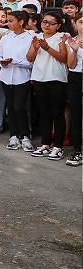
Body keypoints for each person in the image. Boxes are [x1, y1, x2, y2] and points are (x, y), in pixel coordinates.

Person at [27, 11, 72, 160]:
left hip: (57, 79)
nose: (46, 25)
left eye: (51, 23)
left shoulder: (62, 37)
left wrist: (47, 48)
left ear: (58, 25)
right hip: (40, 79)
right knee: (44, 113)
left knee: (57, 113)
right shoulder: (37, 37)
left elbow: (63, 58)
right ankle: (45, 144)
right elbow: (30, 58)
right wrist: (35, 47)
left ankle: (58, 146)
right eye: (44, 22)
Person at [0, 10, 35, 152]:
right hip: (5, 77)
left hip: (22, 77)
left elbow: (31, 61)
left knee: (20, 107)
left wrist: (14, 62)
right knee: (10, 106)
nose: (8, 23)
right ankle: (13, 136)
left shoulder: (31, 37)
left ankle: (25, 136)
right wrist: (1, 62)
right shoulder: (6, 37)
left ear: (21, 21)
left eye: (11, 21)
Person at [65, 12, 82, 166]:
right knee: (76, 115)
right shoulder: (73, 41)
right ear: (75, 24)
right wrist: (75, 50)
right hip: (75, 78)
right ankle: (77, 151)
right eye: (81, 22)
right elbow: (71, 65)